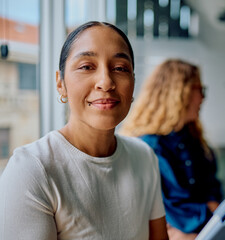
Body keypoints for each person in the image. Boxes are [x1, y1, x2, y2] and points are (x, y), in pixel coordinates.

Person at [0, 21, 169, 240]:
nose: (106, 82)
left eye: (120, 68)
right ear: (61, 83)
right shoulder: (33, 169)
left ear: (133, 82)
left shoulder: (144, 157)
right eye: (87, 66)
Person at [120, 59, 223, 239]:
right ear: (180, 93)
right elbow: (178, 213)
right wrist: (214, 210)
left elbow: (213, 190)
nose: (203, 98)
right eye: (200, 89)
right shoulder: (150, 147)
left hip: (205, 228)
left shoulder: (195, 142)